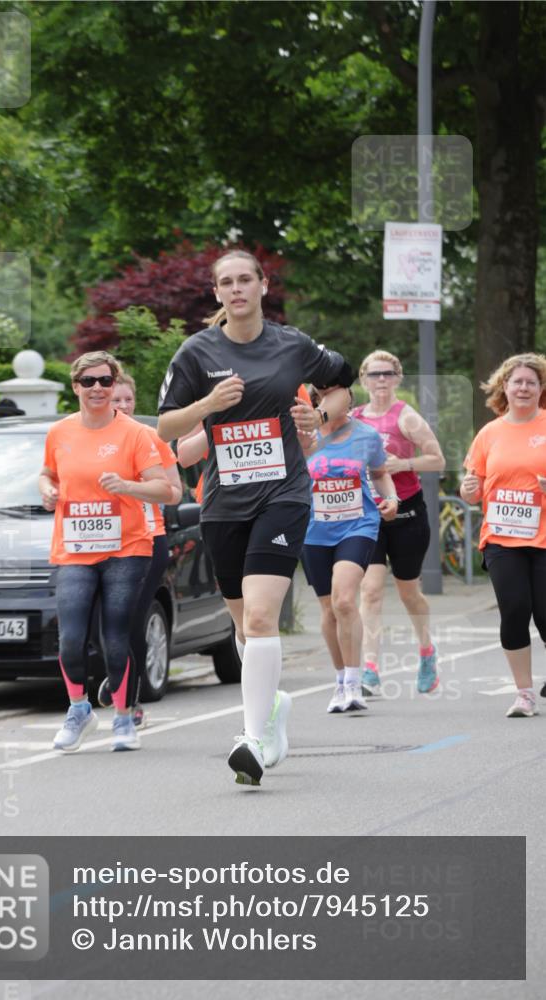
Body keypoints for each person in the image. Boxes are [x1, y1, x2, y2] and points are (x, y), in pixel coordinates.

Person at [157, 248, 354, 786]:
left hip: (284, 496)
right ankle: (272, 714)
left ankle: (253, 739)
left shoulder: (291, 345)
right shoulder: (196, 353)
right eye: (227, 282)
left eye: (247, 279)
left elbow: (343, 384)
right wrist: (207, 405)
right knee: (244, 627)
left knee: (264, 619)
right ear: (217, 292)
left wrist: (318, 415)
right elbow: (165, 428)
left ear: (264, 285)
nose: (237, 288)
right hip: (223, 503)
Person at [39, 351, 171, 752]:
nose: (98, 389)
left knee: (116, 636)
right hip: (75, 550)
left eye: (105, 381)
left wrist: (128, 487)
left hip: (127, 547)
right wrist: (46, 489)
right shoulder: (60, 432)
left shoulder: (134, 434)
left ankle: (123, 717)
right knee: (70, 638)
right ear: (75, 386)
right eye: (89, 382)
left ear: (115, 385)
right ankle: (79, 709)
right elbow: (48, 473)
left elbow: (166, 489)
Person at [351, 350, 445, 696]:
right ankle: (371, 670)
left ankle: (426, 651)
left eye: (387, 374)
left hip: (407, 515)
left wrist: (401, 465)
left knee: (408, 593)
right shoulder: (354, 418)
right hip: (370, 515)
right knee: (370, 591)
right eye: (374, 374)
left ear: (397, 379)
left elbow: (437, 459)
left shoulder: (406, 418)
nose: (381, 381)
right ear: (363, 380)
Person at [300, 388, 398, 712]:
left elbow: (381, 474)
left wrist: (392, 500)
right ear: (317, 403)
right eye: (323, 397)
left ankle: (355, 684)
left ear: (349, 402)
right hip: (314, 530)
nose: (330, 402)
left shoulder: (367, 436)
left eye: (337, 396)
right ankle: (340, 678)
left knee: (344, 599)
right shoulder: (304, 436)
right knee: (328, 609)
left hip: (359, 525)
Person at [461, 353, 546, 718]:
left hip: (544, 538)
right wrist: (468, 489)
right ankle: (524, 694)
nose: (524, 387)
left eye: (531, 381)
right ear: (504, 388)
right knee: (513, 610)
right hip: (501, 538)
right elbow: (473, 490)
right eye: (517, 382)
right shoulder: (489, 433)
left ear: (541, 389)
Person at [97, 371, 183, 724]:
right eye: (116, 400)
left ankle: (128, 698)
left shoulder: (148, 437)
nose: (122, 406)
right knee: (99, 621)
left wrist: (131, 487)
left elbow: (174, 490)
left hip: (147, 540)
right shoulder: (91, 439)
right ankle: (117, 676)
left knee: (129, 619)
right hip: (101, 543)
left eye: (127, 400)